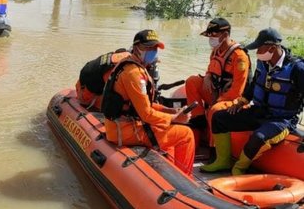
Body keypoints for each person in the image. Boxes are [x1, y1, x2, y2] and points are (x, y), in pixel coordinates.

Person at [200, 28, 304, 175]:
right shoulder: (263, 62)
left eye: (259, 48)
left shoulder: (297, 69)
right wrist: (241, 102)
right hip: (259, 111)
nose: (257, 52)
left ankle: (239, 169)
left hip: (282, 119)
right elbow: (255, 84)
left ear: (272, 48)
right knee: (219, 118)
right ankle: (223, 161)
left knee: (259, 137)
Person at [102, 29, 195, 175]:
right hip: (125, 130)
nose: (153, 51)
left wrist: (170, 111)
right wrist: (176, 118)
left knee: (169, 126)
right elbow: (146, 114)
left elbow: (145, 105)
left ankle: (171, 171)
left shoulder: (131, 66)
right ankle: (186, 180)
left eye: (155, 48)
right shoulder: (133, 74)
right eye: (148, 48)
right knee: (186, 134)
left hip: (124, 124)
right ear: (136, 47)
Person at [185, 18, 250, 150]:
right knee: (192, 81)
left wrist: (217, 101)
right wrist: (208, 75)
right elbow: (211, 68)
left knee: (214, 110)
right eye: (209, 35)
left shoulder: (239, 57)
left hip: (234, 100)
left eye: (214, 35)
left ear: (225, 35)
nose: (211, 39)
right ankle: (199, 120)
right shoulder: (216, 51)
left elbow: (237, 90)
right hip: (217, 93)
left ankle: (213, 149)